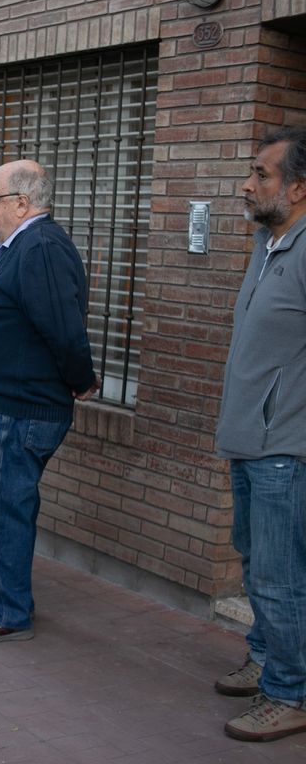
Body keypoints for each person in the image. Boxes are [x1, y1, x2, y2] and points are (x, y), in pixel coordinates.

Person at [0, 159, 98, 644]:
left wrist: (81, 378)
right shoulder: (23, 246)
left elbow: (62, 325)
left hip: (14, 408)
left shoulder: (42, 247)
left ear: (21, 203)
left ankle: (5, 610)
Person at [212, 127, 306, 743]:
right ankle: (268, 657)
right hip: (248, 442)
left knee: (280, 575)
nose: (248, 185)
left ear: (298, 188)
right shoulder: (266, 244)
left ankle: (290, 693)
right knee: (257, 564)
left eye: (262, 175)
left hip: (284, 451)